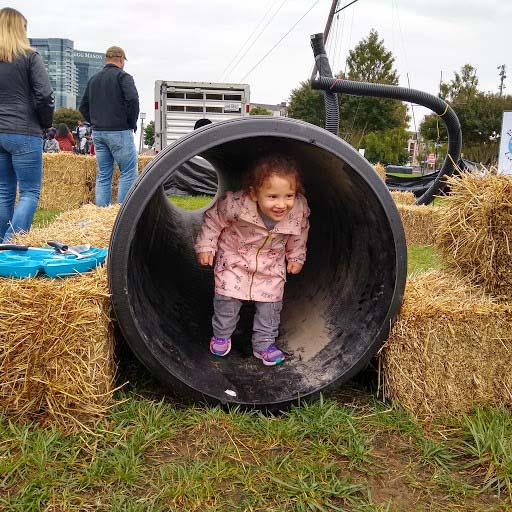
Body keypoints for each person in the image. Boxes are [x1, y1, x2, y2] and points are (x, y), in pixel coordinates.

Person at [195, 154, 310, 366]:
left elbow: (299, 232)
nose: (281, 204)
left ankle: (264, 344)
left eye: (289, 196)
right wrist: (206, 246)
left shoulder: (297, 211)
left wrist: (296, 256)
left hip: (271, 263)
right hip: (235, 257)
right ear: (254, 193)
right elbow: (213, 220)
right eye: (272, 196)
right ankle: (221, 335)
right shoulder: (236, 205)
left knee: (271, 306)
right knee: (227, 300)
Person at [0, 7, 54, 242]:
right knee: (29, 192)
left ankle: (2, 245)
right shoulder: (30, 57)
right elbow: (45, 95)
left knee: (3, 192)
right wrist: (46, 124)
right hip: (24, 130)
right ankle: (12, 243)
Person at [79, 45, 139, 206]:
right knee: (128, 172)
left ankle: (102, 213)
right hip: (120, 130)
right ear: (121, 60)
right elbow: (133, 100)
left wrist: (95, 122)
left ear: (106, 59)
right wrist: (131, 123)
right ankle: (121, 212)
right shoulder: (124, 77)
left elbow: (82, 107)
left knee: (104, 174)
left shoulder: (93, 80)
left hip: (98, 133)